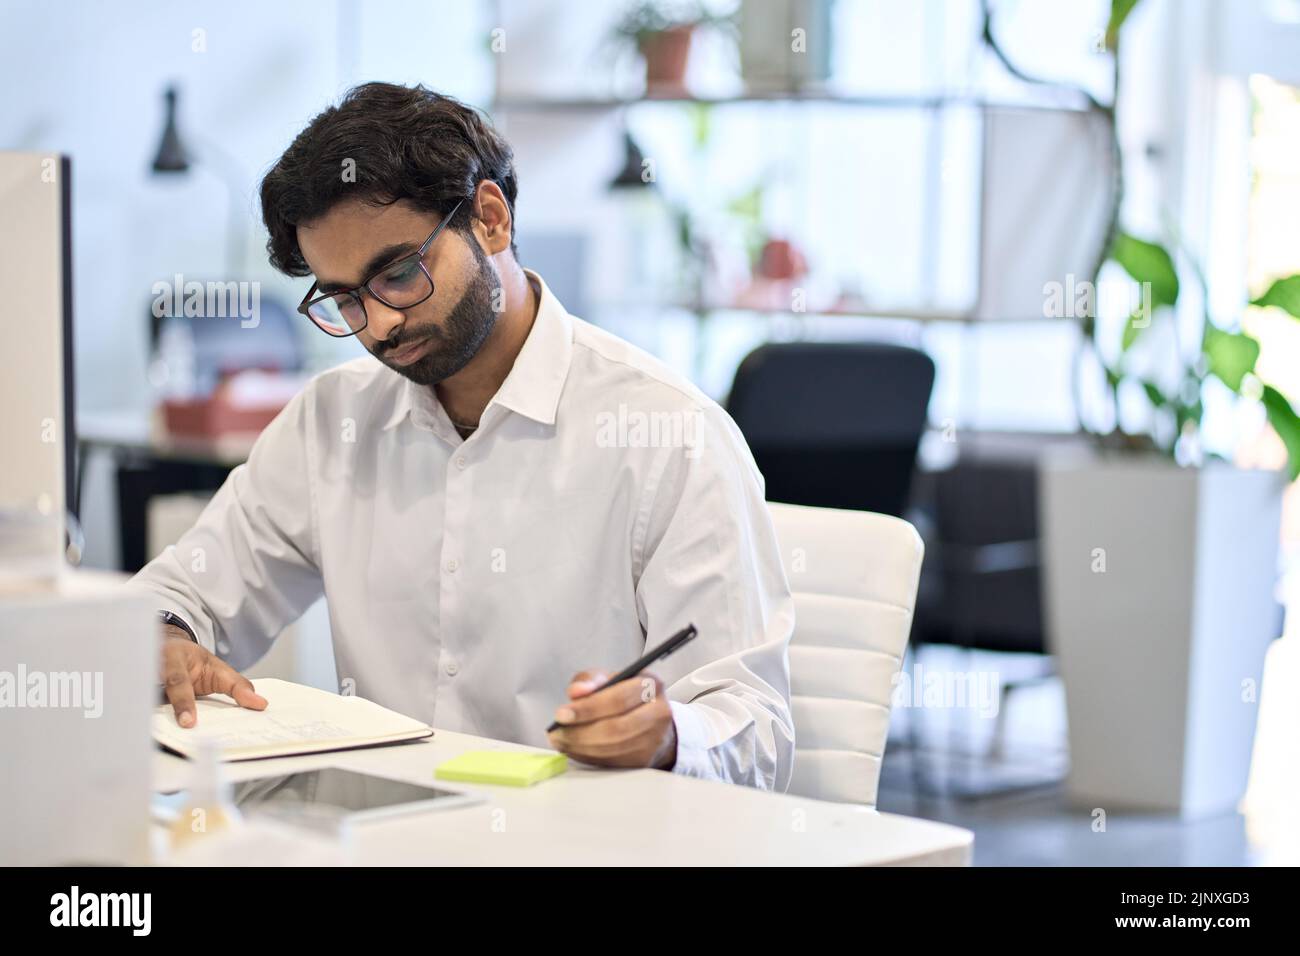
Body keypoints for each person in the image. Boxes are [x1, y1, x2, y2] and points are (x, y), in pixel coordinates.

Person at [131, 82, 795, 790]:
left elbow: (755, 730)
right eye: (345, 298)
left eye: (398, 274)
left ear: (489, 218)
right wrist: (166, 637)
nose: (379, 324)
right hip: (385, 837)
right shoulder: (333, 420)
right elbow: (181, 591)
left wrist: (667, 735)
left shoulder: (668, 436)